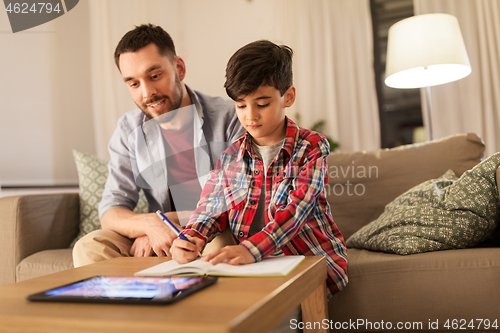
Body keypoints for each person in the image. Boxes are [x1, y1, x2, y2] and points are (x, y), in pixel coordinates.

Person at [170, 40, 348, 299]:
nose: (250, 116)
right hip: (254, 266)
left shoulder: (311, 146)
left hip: (309, 260)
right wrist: (191, 236)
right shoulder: (231, 156)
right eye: (241, 105)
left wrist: (250, 250)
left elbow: (296, 212)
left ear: (288, 96)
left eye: (261, 104)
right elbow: (210, 208)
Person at [72, 24, 244, 267]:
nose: (147, 93)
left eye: (154, 76)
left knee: (218, 248)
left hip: (215, 231)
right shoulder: (128, 130)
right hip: (162, 237)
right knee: (90, 247)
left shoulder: (230, 118)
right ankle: (125, 305)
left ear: (179, 69)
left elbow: (236, 201)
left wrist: (163, 222)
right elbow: (111, 212)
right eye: (133, 83)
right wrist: (148, 226)